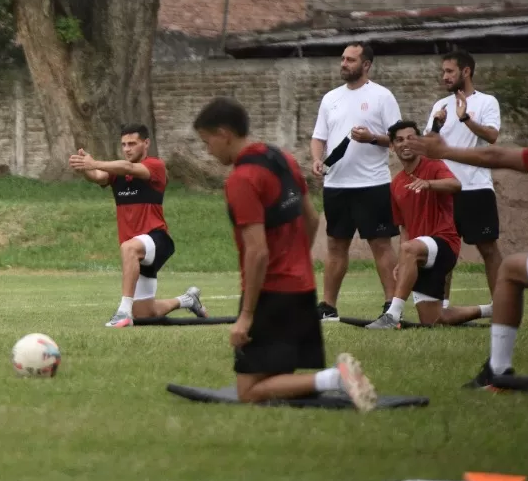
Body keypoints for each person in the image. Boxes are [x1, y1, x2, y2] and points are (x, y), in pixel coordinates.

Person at [193, 96, 376, 411]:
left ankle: (336, 378)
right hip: (301, 287)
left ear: (224, 133)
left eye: (207, 141)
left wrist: (246, 316)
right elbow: (313, 219)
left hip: (270, 291)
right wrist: (296, 263)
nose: (207, 150)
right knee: (274, 379)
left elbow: (258, 252)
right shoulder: (283, 158)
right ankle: (333, 379)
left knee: (247, 391)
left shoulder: (241, 179)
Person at [408, 133, 528, 389]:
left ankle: (498, 372)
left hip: (475, 188)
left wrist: (445, 151)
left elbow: (495, 155)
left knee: (510, 269)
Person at [67, 124, 206, 326]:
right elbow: (97, 176)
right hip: (136, 251)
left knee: (129, 247)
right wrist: (83, 168)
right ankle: (187, 300)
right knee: (144, 313)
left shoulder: (155, 166)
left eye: (132, 143)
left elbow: (129, 168)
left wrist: (94, 162)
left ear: (146, 143)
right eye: (124, 144)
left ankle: (123, 312)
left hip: (157, 240)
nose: (127, 148)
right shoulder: (117, 172)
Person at [366, 121, 491, 329]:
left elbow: (456, 185)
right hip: (418, 253)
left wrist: (429, 184)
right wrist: (402, 262)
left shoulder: (434, 165)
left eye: (411, 138)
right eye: (399, 140)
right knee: (434, 319)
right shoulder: (396, 183)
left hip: (444, 243)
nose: (405, 143)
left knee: (410, 248)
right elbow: (404, 227)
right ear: (391, 146)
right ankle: (490, 310)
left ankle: (392, 315)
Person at [310, 42, 403, 320]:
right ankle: (328, 306)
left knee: (381, 244)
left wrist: (371, 137)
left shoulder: (382, 96)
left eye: (350, 60)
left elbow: (399, 139)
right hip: (337, 185)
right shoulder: (330, 98)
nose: (344, 64)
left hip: (372, 184)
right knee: (336, 246)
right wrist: (317, 158)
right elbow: (319, 137)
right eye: (343, 59)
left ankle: (391, 306)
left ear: (366, 65)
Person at [423, 49, 504, 302]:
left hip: (476, 189)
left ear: (466, 71)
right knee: (444, 251)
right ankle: (442, 308)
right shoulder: (440, 105)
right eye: (443, 71)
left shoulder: (487, 102)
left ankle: (502, 305)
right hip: (446, 189)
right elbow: (429, 146)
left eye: (449, 71)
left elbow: (492, 136)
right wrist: (436, 125)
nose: (444, 76)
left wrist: (465, 118)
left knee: (488, 249)